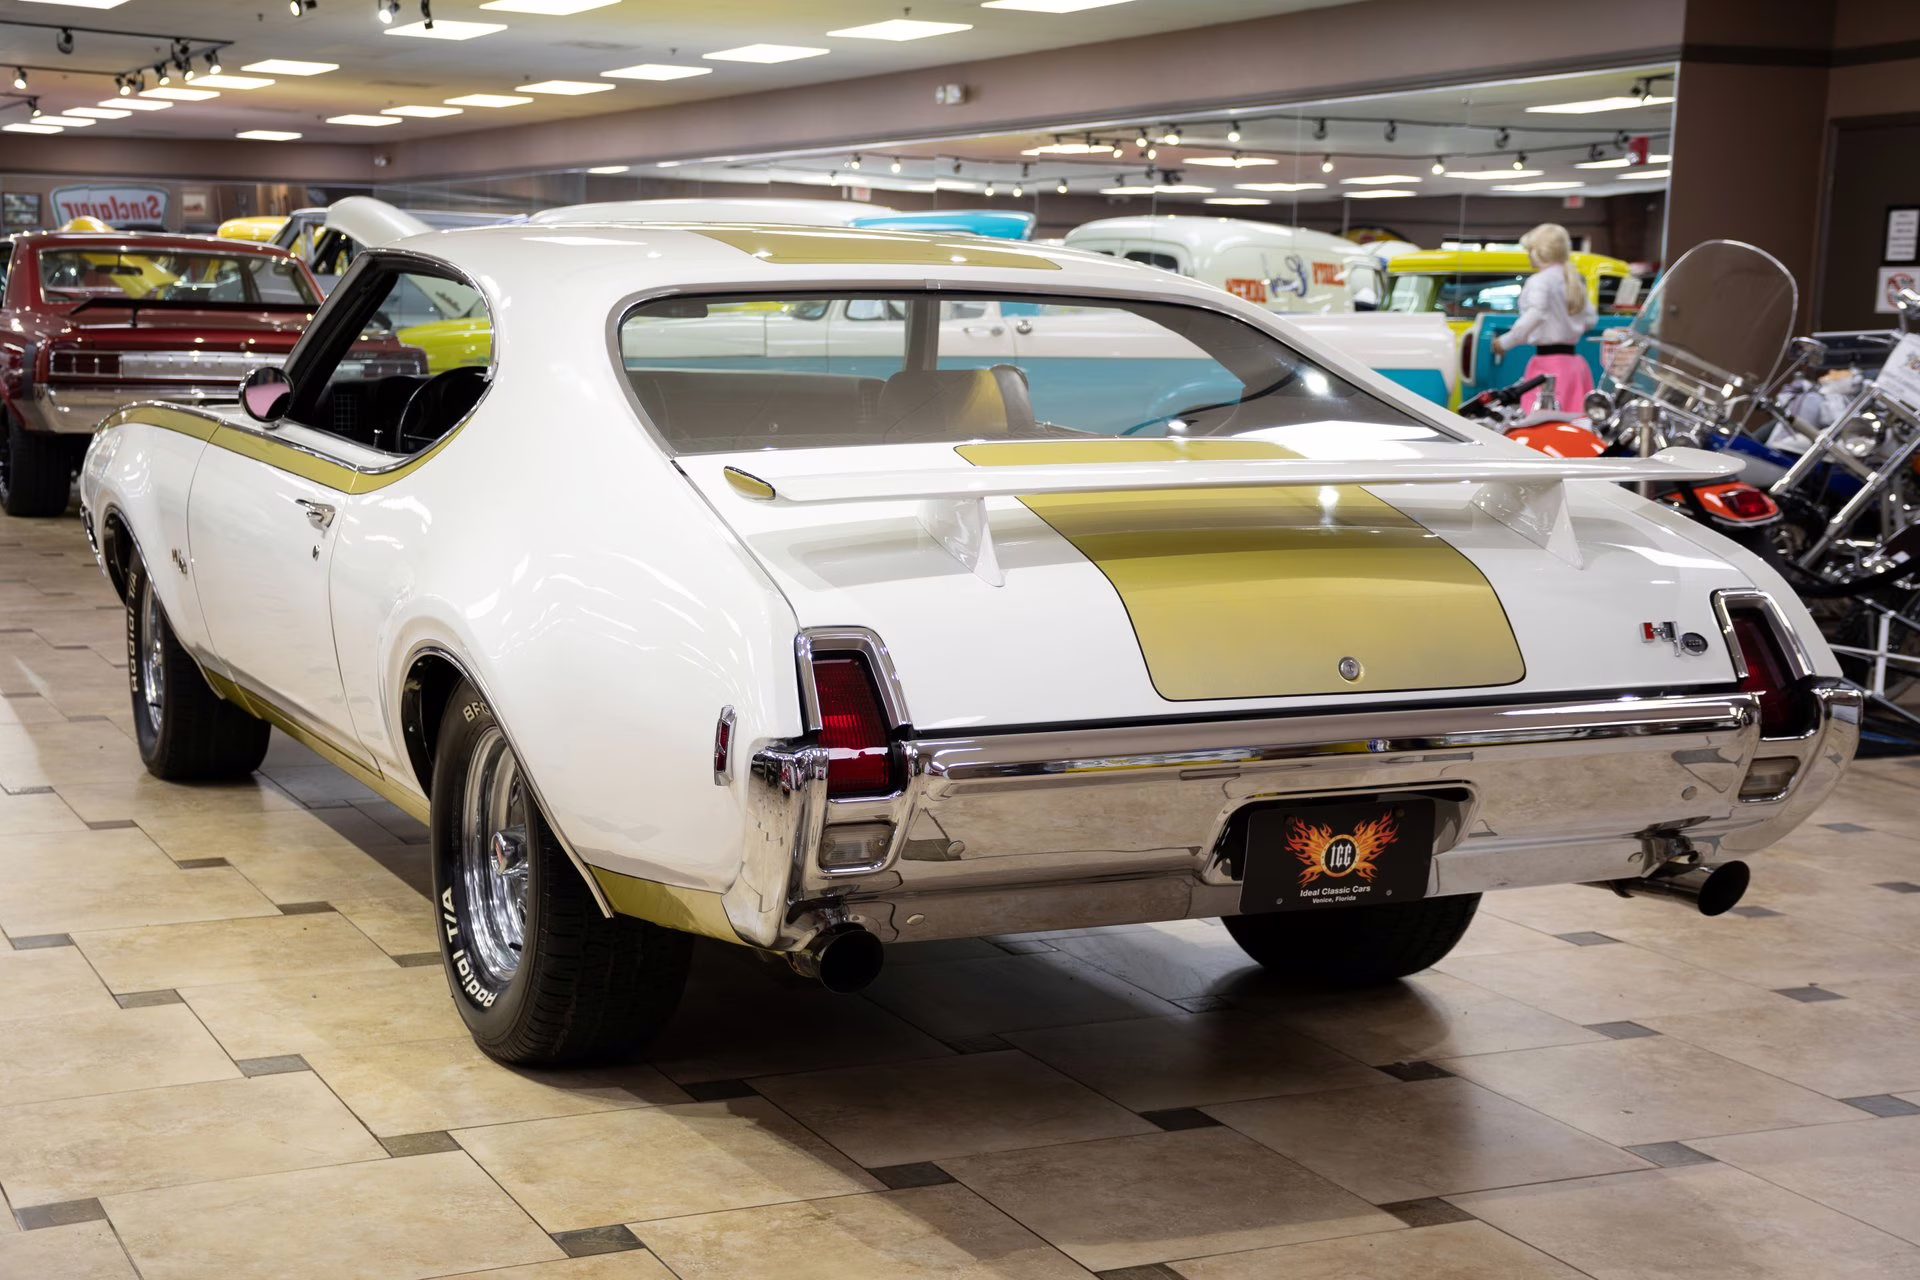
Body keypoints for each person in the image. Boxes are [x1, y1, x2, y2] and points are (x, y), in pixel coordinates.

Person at [1491, 223, 1597, 413]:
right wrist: (1567, 326)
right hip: (1575, 366)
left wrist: (1504, 342)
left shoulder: (1539, 281)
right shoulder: (1572, 280)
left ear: (1538, 252)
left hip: (1548, 367)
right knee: (1574, 424)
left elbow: (1536, 314)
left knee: (1542, 422)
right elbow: (1590, 320)